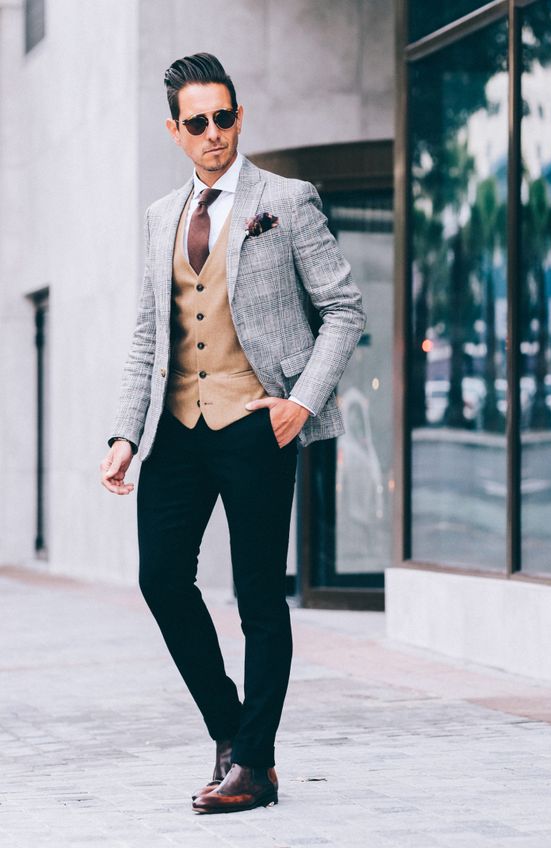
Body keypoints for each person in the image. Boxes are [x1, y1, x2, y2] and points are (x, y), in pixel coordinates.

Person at [100, 53, 366, 814]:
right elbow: (147, 337)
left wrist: (301, 405)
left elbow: (343, 310)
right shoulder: (159, 218)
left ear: (239, 118)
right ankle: (230, 731)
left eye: (224, 117)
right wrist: (124, 434)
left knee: (258, 598)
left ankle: (255, 765)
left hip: (258, 424)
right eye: (198, 123)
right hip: (180, 427)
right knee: (160, 579)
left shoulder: (286, 199)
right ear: (175, 131)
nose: (213, 133)